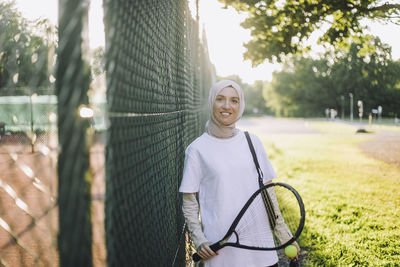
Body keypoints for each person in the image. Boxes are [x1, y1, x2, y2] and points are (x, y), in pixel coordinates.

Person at [179, 80, 300, 266]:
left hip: (260, 249)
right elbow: (189, 201)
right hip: (220, 253)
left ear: (240, 105)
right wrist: (199, 239)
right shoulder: (196, 149)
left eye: (234, 101)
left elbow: (268, 192)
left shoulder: (253, 142)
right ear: (212, 102)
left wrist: (283, 234)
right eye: (220, 99)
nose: (227, 106)